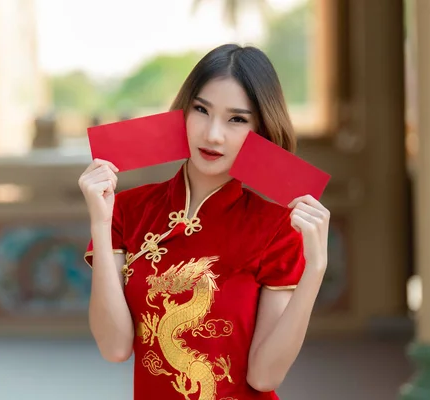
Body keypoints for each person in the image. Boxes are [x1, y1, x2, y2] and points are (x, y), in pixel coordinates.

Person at [79, 44, 330, 400]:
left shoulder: (276, 228)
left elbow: (263, 376)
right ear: (183, 112)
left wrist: (315, 270)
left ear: (259, 130)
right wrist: (100, 226)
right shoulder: (127, 211)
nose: (213, 134)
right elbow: (114, 347)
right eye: (201, 110)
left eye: (237, 119)